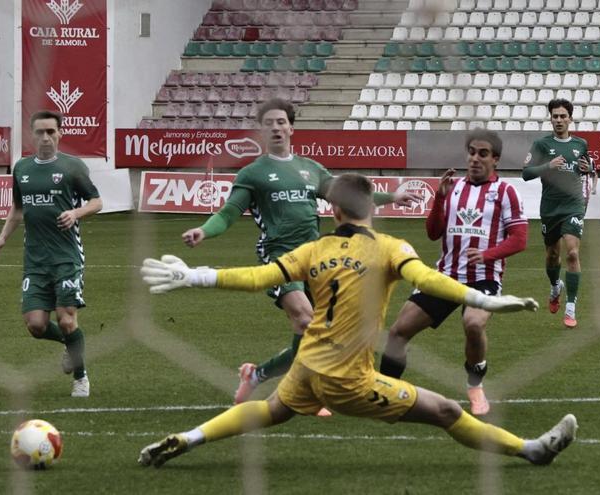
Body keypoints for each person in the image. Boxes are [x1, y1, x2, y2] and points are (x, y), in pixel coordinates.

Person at [138, 173, 576, 469]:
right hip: (347, 379)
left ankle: (187, 438)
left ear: (334, 213)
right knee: (444, 410)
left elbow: (258, 277)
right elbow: (426, 278)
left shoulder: (315, 248)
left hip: (308, 366)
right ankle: (531, 451)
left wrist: (192, 275)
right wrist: (487, 300)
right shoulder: (388, 246)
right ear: (371, 206)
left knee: (272, 409)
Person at [181, 98, 418, 410]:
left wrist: (392, 196)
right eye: (269, 124)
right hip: (278, 258)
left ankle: (258, 374)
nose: (276, 128)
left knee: (319, 330)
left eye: (281, 122)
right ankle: (304, 389)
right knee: (307, 321)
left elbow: (350, 196)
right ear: (261, 132)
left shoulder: (310, 169)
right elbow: (227, 213)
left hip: (315, 259)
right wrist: (204, 230)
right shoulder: (253, 174)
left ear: (291, 127)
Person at [380, 130, 528, 416]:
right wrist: (439, 199)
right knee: (398, 332)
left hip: (484, 278)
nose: (474, 158)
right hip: (445, 275)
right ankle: (386, 391)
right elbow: (433, 233)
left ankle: (475, 385)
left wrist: (487, 254)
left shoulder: (506, 192)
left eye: (482, 154)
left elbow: (519, 238)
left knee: (473, 324)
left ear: (495, 159)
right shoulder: (455, 188)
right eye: (471, 152)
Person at [0, 110, 102, 398]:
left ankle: (81, 376)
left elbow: (96, 201)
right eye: (40, 132)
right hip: (35, 260)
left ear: (60, 133)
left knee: (66, 318)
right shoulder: (22, 168)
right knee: (36, 325)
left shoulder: (73, 166)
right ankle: (68, 343)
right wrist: (2, 237)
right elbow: (18, 208)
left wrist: (76, 213)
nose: (46, 137)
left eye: (51, 131)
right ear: (32, 135)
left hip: (67, 257)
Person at [522, 98, 592, 329]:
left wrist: (589, 169)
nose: (559, 120)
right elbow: (526, 173)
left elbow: (587, 168)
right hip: (550, 207)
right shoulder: (541, 145)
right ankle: (555, 287)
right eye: (555, 116)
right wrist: (548, 166)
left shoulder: (581, 143)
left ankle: (571, 307)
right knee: (553, 255)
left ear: (570, 118)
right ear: (550, 118)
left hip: (573, 204)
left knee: (572, 253)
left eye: (563, 116)